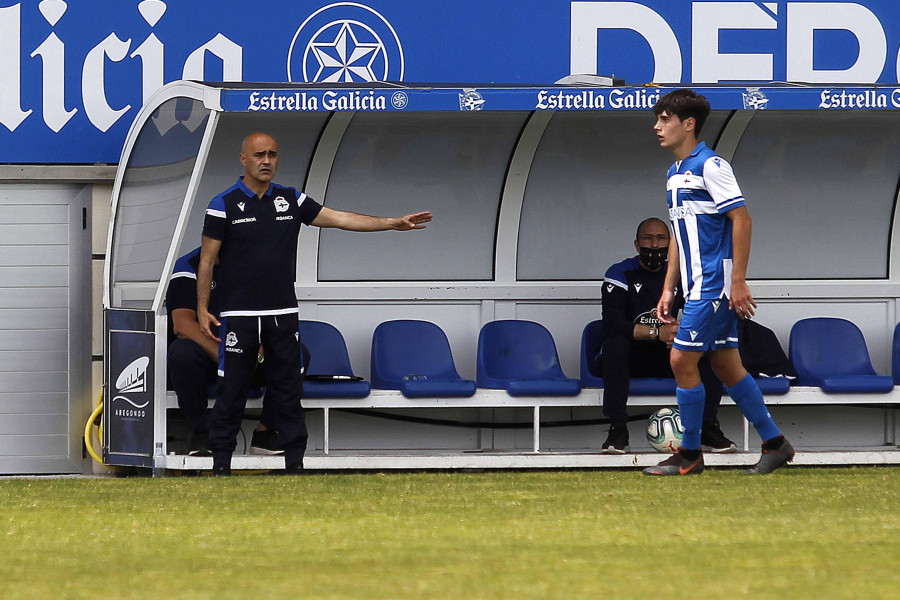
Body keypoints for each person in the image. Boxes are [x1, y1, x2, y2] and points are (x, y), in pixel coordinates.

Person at [198, 131, 432, 476]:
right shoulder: (224, 203)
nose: (267, 161)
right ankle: (221, 464)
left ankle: (295, 463)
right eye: (260, 155)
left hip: (282, 313)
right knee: (232, 389)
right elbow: (206, 260)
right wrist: (203, 308)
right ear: (244, 159)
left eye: (273, 155)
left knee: (288, 389)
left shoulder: (290, 199)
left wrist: (391, 224)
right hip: (240, 315)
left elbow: (339, 218)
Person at [643, 89, 794, 476]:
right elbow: (680, 232)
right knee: (727, 366)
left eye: (665, 119)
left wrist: (737, 281)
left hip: (714, 286)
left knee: (680, 358)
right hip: (696, 288)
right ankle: (775, 443)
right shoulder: (674, 173)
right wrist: (667, 288)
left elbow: (741, 219)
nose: (657, 126)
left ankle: (690, 454)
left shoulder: (711, 165)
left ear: (688, 124)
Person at [598, 217, 736, 454]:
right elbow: (611, 325)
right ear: (636, 244)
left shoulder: (681, 274)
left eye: (661, 239)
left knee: (708, 347)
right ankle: (618, 429)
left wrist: (681, 333)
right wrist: (656, 333)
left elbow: (702, 314)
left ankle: (709, 427)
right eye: (648, 239)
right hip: (633, 357)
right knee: (614, 345)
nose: (654, 245)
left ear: (671, 244)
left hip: (670, 357)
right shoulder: (620, 273)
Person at [165, 247, 300, 457]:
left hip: (249, 357)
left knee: (296, 354)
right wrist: (225, 357)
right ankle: (202, 433)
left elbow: (273, 316)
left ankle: (265, 433)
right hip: (209, 356)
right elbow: (182, 325)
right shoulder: (189, 265)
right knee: (181, 352)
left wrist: (259, 351)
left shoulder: (257, 262)